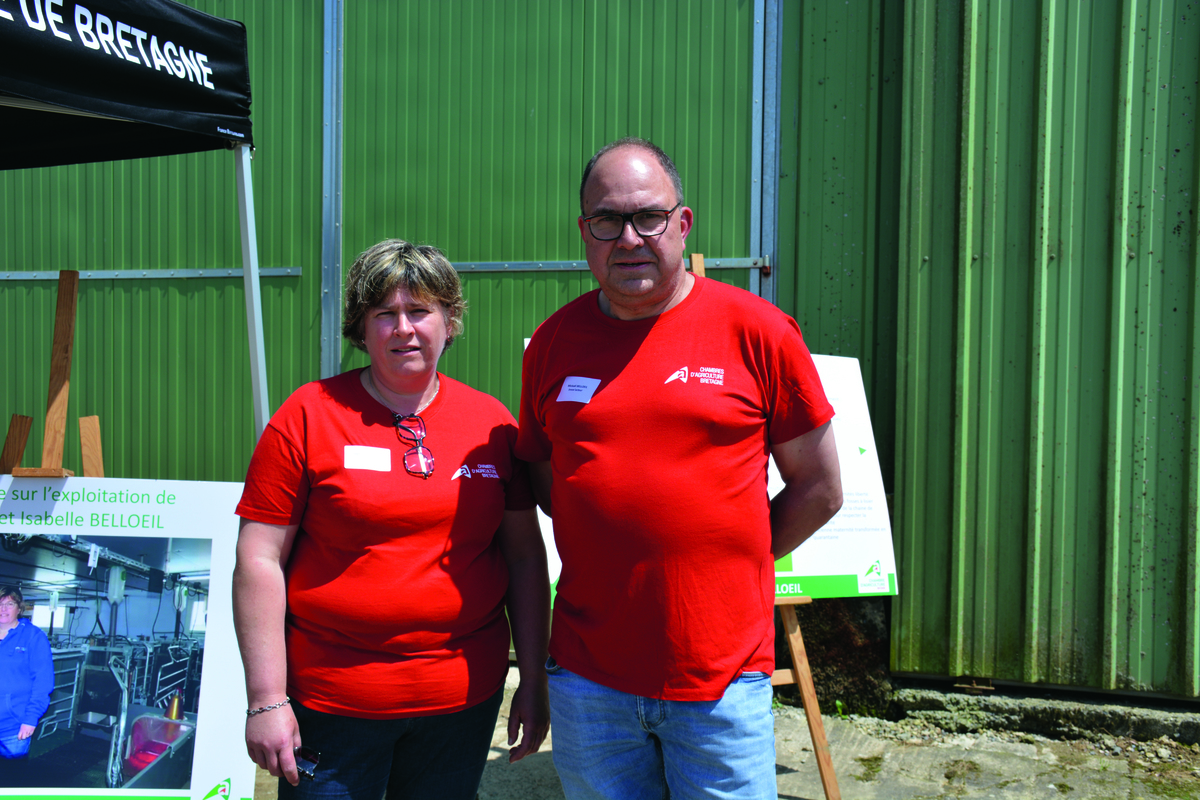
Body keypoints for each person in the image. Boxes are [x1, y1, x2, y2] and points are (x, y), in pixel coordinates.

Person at [517, 138, 843, 799]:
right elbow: (547, 479)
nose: (629, 238)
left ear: (683, 223)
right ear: (584, 232)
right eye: (607, 220)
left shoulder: (759, 332)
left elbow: (820, 487)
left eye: (649, 217)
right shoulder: (553, 343)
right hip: (589, 678)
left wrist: (733, 559)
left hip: (720, 677)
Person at [233, 239, 550, 800]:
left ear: (449, 321)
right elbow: (258, 559)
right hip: (333, 705)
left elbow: (525, 557)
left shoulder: (491, 424)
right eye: (385, 314)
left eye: (420, 311)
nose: (404, 329)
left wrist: (533, 678)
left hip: (461, 704)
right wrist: (266, 698)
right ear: (362, 327)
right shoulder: (307, 416)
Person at [0, 586, 53, 762]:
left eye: (9, 604)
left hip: (13, 726)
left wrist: (31, 718)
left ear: (19, 608)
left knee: (10, 780)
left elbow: (43, 681)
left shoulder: (33, 636)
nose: (3, 609)